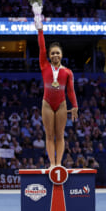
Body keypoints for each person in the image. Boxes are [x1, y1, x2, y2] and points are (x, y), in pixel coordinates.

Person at [36, 22, 78, 168]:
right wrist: (40, 30)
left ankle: (59, 164)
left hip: (61, 104)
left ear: (61, 55)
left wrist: (75, 106)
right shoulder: (44, 65)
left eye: (57, 53)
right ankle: (52, 164)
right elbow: (41, 47)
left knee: (60, 135)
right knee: (49, 135)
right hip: (47, 103)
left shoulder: (67, 72)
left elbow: (70, 91)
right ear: (49, 55)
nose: (55, 55)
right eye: (52, 53)